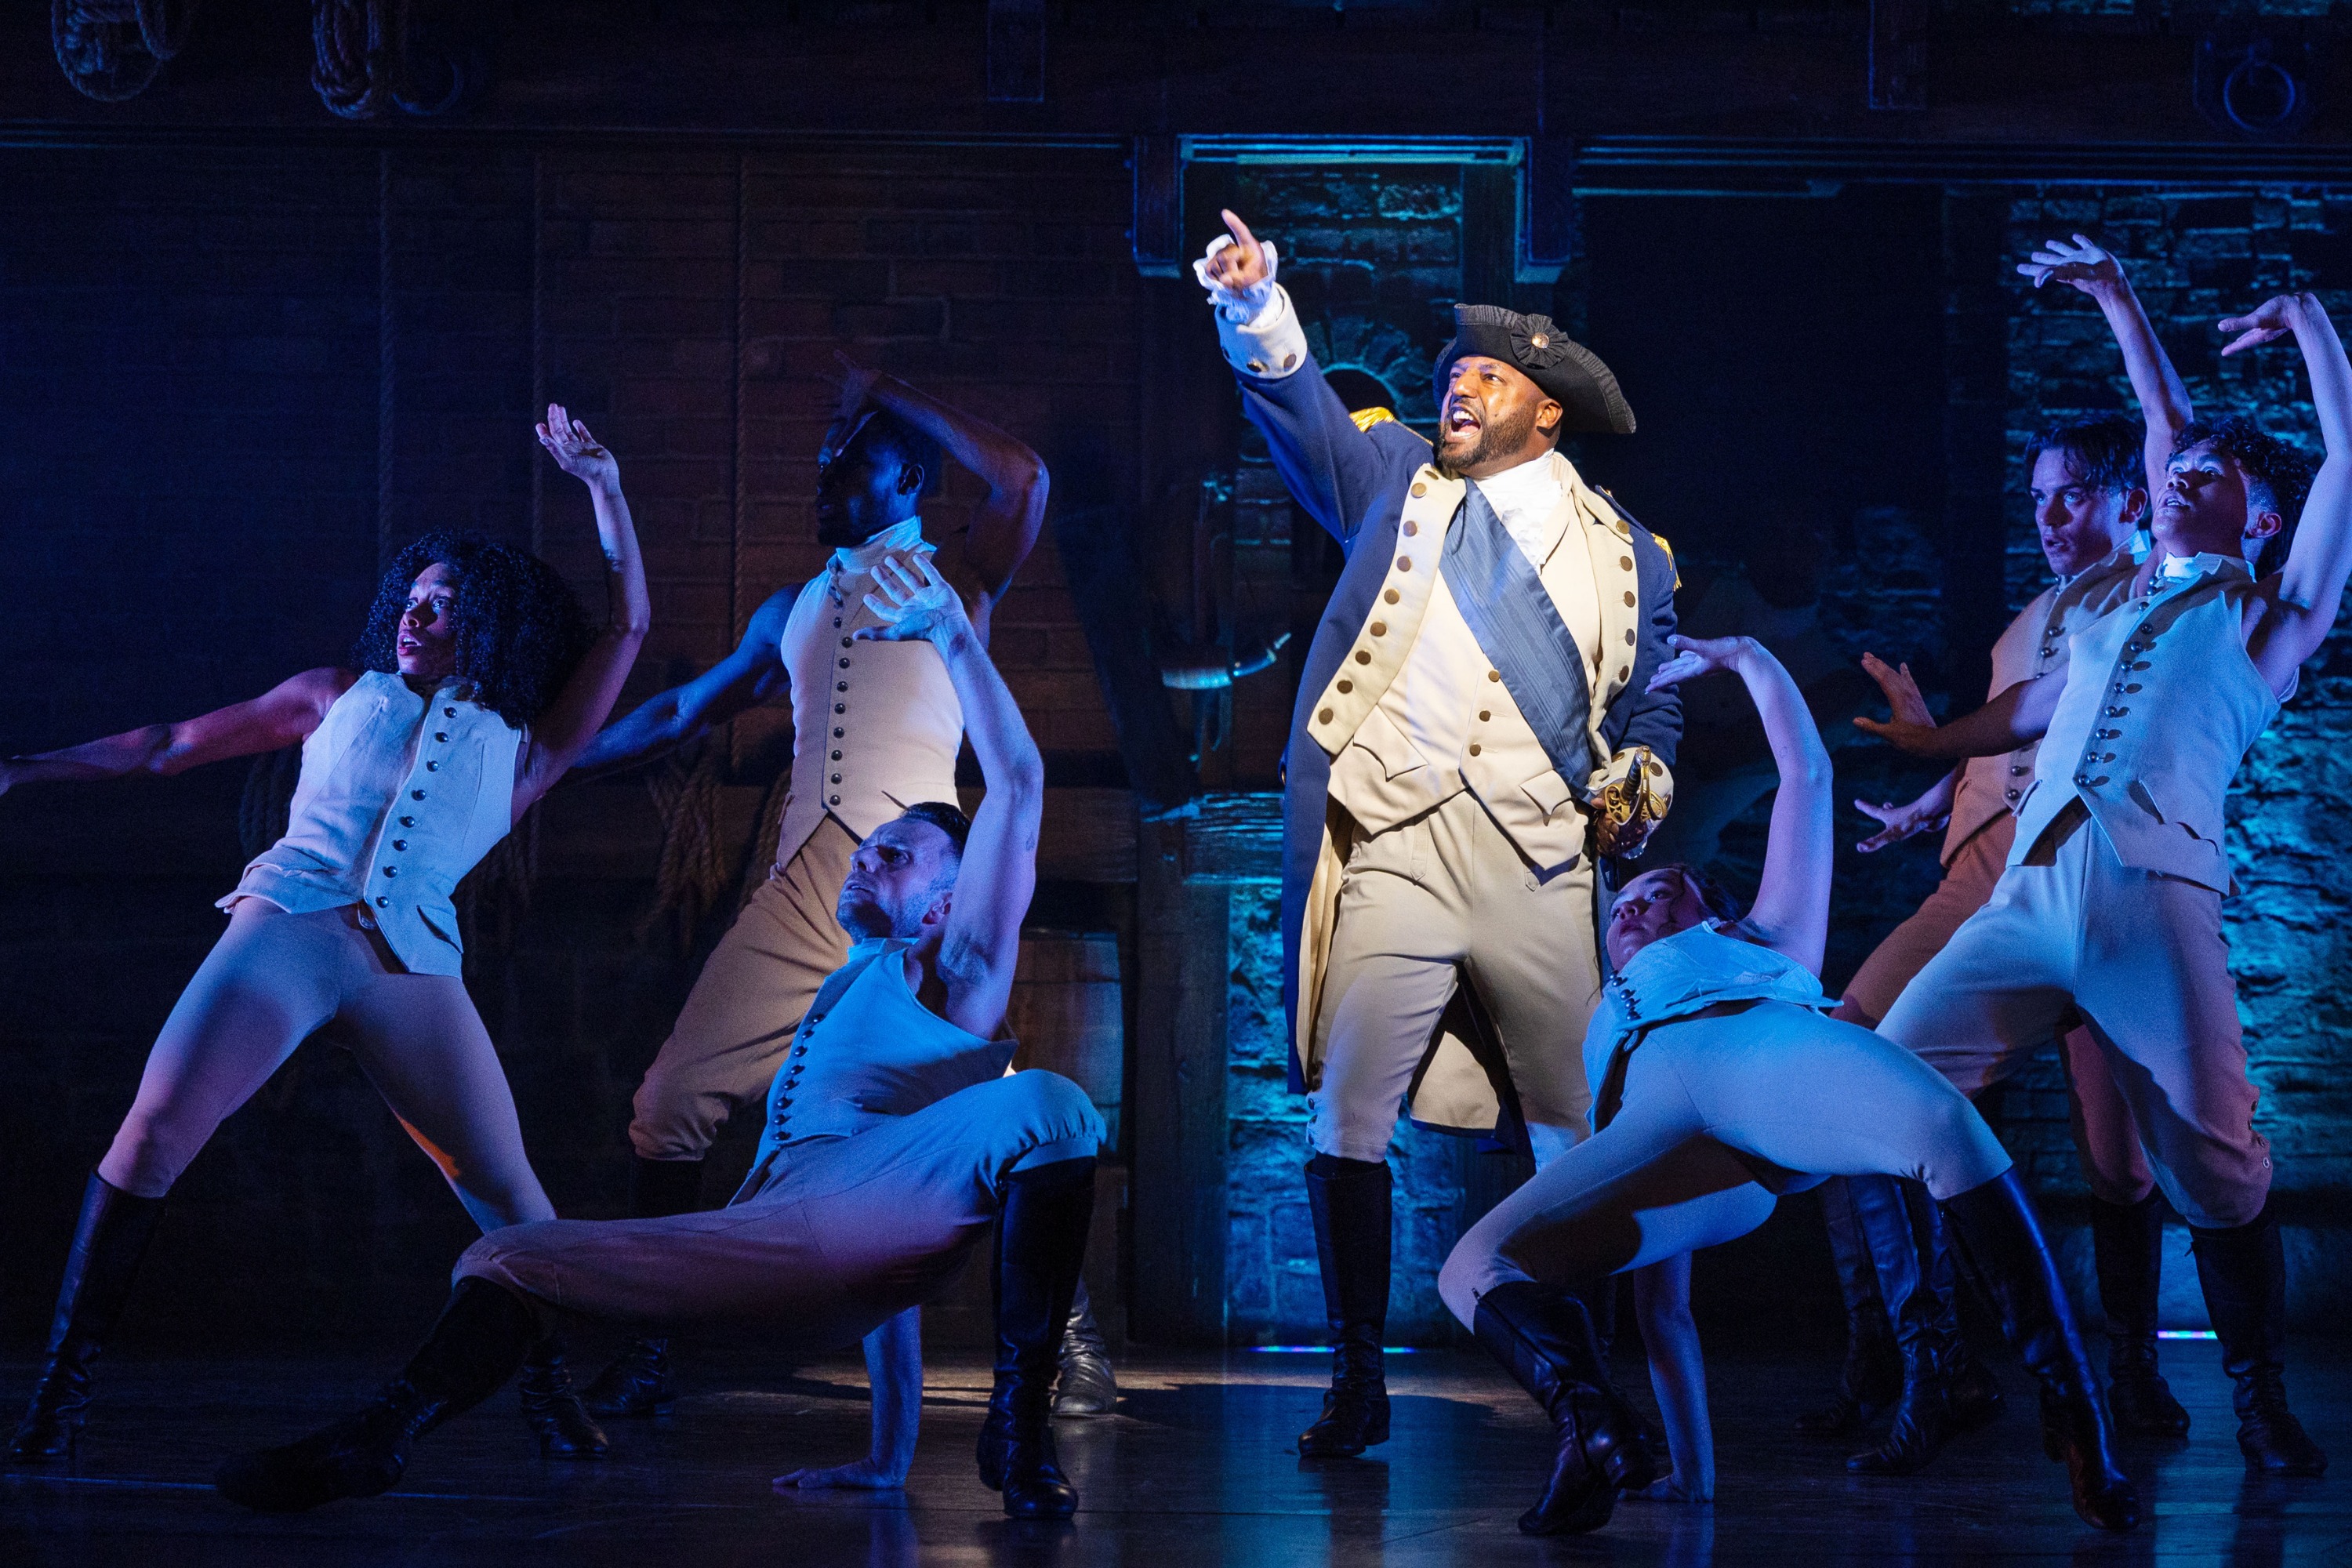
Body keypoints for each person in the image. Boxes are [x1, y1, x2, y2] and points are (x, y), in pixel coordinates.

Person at [213, 554, 1105, 1519]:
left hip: (855, 1222)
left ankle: (1019, 1428)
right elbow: (884, 1280)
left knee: (1048, 1102)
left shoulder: (960, 974)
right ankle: (378, 1434)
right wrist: (887, 1458)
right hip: (770, 1239)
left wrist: (953, 634)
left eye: (894, 855)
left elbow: (1019, 783)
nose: (865, 858)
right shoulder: (846, 987)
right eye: (868, 845)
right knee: (509, 1255)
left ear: (942, 907)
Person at [2, 406, 650, 1466]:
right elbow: (168, 743)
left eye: (447, 608)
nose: (419, 617)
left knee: (516, 1204)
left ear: (493, 629)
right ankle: (59, 1395)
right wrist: (26, 768)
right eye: (414, 599)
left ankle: (545, 1386)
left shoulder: (527, 749)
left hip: (412, 969)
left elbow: (626, 630)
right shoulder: (334, 695)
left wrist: (603, 489)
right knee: (152, 1134)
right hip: (286, 930)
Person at [1437, 633, 2138, 1537]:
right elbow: (1664, 1303)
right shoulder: (1600, 1012)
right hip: (1655, 1130)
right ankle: (1590, 1427)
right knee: (1471, 1267)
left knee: (1944, 1123)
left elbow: (1805, 772)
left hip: (1757, 1056)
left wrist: (1747, 657)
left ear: (1714, 908)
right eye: (1625, 906)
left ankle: (2077, 1413)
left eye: (1664, 892)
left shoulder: (1768, 935)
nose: (1637, 905)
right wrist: (1694, 1477)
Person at [1195, 211, 1682, 1458]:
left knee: (1573, 1134)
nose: (1457, 390)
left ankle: (1587, 1394)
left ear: (1546, 412)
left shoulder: (1633, 554)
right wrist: (1255, 306)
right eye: (1452, 376)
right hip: (1399, 846)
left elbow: (1652, 699)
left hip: (1541, 858)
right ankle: (1357, 1379)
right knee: (1347, 1114)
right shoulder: (1394, 480)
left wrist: (1647, 772)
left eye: (1486, 379)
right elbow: (1303, 415)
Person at [1860, 286, 2347, 1481]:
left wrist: (2307, 327)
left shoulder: (2268, 618)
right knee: (1890, 1089)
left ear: (2261, 518)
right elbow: (2021, 712)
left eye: (2211, 474)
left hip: (2152, 899)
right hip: (2028, 897)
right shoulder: (2107, 619)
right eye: (2176, 472)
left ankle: (2260, 1400)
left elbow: (2341, 459)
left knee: (2217, 1169)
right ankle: (2020, 1369)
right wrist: (1927, 747)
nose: (2181, 476)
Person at [568, 358, 1110, 1420]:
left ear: (909, 478)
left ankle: (1068, 1337)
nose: (825, 471)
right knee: (670, 1102)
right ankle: (649, 1344)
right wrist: (549, 766)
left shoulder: (959, 579)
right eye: (824, 457)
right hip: (803, 888)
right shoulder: (794, 607)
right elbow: (680, 712)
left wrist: (886, 390)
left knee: (983, 1114)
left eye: (851, 458)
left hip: (912, 895)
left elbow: (1024, 477)